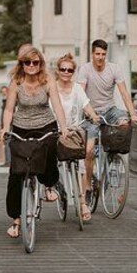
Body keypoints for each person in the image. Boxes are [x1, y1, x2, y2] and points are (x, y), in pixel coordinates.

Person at [0, 47, 69, 238]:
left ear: (40, 64)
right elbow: (9, 109)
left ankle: (50, 184)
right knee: (15, 173)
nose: (31, 66)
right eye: (27, 62)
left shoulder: (48, 81)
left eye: (35, 62)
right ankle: (16, 219)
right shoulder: (16, 81)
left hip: (45, 125)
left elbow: (57, 106)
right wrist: (5, 127)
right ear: (21, 64)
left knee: (48, 153)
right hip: (21, 127)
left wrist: (63, 128)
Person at [76, 39, 137, 196]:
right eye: (97, 54)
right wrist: (90, 114)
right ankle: (88, 186)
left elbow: (124, 93)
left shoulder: (114, 69)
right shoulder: (85, 69)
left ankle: (112, 159)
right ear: (92, 54)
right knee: (89, 151)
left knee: (124, 121)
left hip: (110, 110)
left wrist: (132, 113)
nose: (100, 57)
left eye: (103, 54)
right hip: (91, 113)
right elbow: (80, 94)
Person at [55, 53, 98, 222]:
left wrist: (94, 116)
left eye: (70, 70)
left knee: (79, 164)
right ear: (57, 71)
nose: (66, 72)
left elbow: (86, 105)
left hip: (74, 131)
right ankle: (54, 186)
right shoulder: (52, 88)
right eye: (63, 69)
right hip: (57, 130)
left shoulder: (77, 89)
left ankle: (82, 203)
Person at [0, 85, 11, 167]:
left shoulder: (10, 101)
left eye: (5, 92)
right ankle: (8, 160)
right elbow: (3, 115)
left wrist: (7, 125)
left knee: (8, 143)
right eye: (2, 92)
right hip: (5, 125)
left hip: (10, 125)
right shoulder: (4, 101)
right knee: (6, 143)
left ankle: (8, 161)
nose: (4, 94)